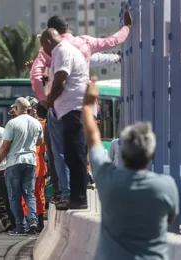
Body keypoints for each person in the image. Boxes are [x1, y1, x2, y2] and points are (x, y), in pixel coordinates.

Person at [29, 10, 132, 208]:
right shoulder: (84, 42)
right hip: (83, 105)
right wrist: (127, 27)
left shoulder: (54, 50)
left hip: (66, 107)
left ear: (50, 36)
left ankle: (68, 194)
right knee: (76, 153)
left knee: (61, 153)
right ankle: (75, 194)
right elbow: (111, 41)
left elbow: (38, 76)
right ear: (66, 28)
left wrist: (44, 100)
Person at [83, 80, 179, 260]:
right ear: (153, 155)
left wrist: (88, 106)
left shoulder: (107, 179)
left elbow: (93, 137)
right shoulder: (166, 186)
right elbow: (170, 219)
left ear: (122, 153)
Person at [40, 28, 89, 210]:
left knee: (74, 154)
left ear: (46, 42)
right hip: (70, 110)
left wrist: (50, 100)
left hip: (73, 110)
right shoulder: (64, 50)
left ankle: (78, 197)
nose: (44, 52)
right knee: (71, 154)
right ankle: (76, 197)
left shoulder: (61, 50)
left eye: (42, 47)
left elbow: (61, 77)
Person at [0, 97, 44, 235]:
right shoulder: (36, 123)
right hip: (31, 162)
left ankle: (20, 227)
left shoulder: (12, 123)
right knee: (29, 194)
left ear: (16, 109)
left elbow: (5, 146)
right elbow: (39, 142)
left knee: (14, 196)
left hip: (15, 162)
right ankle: (33, 222)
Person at [21, 96, 47, 232]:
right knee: (25, 195)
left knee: (38, 194)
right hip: (26, 164)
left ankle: (39, 222)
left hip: (38, 165)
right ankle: (30, 222)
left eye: (35, 108)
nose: (34, 110)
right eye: (31, 108)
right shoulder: (20, 124)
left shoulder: (43, 124)